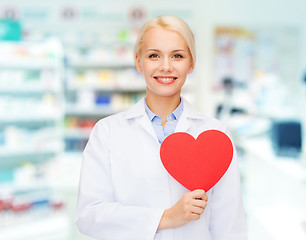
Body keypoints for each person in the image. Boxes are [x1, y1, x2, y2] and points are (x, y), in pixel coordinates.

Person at [75, 16, 247, 240]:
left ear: (191, 63)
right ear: (139, 62)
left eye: (177, 56)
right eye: (154, 55)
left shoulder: (215, 135)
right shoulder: (107, 132)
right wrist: (166, 217)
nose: (166, 66)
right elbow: (89, 214)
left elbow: (230, 226)